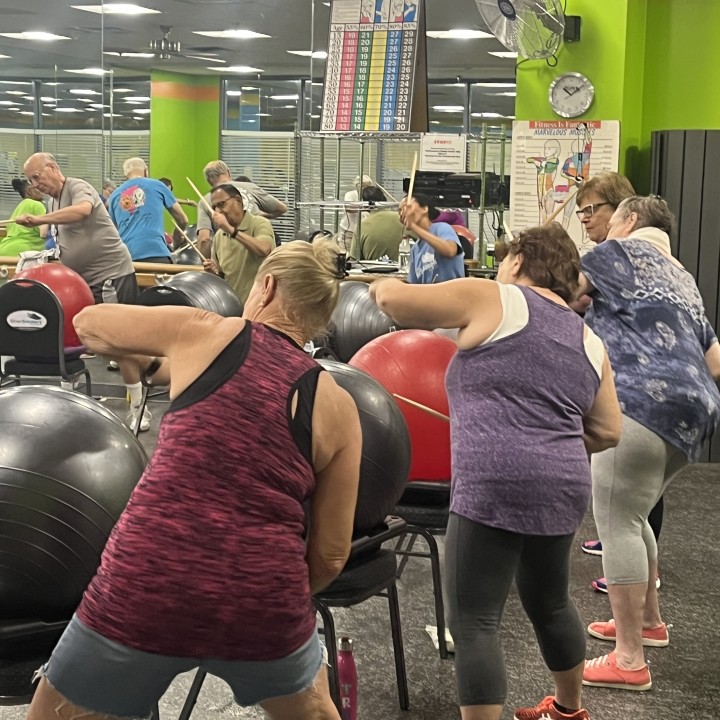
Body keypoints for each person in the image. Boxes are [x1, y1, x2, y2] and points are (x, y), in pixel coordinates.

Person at [27, 237, 362, 720]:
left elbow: (88, 325)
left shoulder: (204, 330)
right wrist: (255, 590)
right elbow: (331, 555)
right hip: (264, 597)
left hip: (145, 582)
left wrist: (162, 343)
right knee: (315, 709)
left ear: (265, 287)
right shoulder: (339, 404)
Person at [370, 223, 622, 720]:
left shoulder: (496, 297)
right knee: (550, 604)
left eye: (507, 257)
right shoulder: (587, 338)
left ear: (520, 260)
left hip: (493, 480)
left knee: (475, 619)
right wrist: (546, 439)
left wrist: (377, 285)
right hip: (565, 483)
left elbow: (397, 304)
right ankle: (570, 710)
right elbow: (608, 431)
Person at [577, 196, 720, 692]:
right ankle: (649, 623)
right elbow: (715, 359)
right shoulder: (683, 277)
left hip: (638, 401)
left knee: (617, 520)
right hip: (698, 409)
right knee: (635, 515)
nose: (601, 226)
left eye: (608, 217)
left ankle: (630, 658)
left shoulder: (612, 256)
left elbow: (562, 295)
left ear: (631, 221)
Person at [16, 153, 148, 432]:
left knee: (120, 342)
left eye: (37, 176)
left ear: (52, 168)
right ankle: (72, 396)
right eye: (30, 180)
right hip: (81, 284)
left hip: (111, 275)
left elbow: (83, 211)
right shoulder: (53, 200)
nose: (35, 184)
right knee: (77, 336)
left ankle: (139, 407)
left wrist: (40, 220)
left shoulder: (77, 187)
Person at [202, 183, 275, 303]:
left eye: (222, 204)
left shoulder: (259, 223)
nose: (218, 211)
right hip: (233, 307)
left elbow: (264, 249)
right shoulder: (219, 236)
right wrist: (213, 272)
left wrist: (231, 231)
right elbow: (221, 275)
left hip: (259, 306)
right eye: (215, 207)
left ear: (238, 200)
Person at [196, 161, 288, 256]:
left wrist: (207, 264)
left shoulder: (205, 201)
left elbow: (204, 239)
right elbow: (282, 209)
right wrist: (262, 215)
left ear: (208, 180)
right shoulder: (250, 188)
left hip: (231, 254)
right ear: (228, 172)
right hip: (257, 252)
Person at [107, 157, 188, 263]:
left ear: (125, 175)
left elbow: (112, 232)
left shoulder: (114, 196)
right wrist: (177, 242)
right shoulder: (158, 185)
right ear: (146, 171)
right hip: (157, 253)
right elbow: (183, 220)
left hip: (127, 259)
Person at [400, 192, 465, 284]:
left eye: (407, 207)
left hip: (450, 295)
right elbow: (413, 285)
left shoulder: (442, 228)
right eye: (400, 210)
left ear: (424, 209)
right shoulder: (415, 249)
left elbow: (450, 250)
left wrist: (414, 226)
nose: (403, 213)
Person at [348, 186, 404, 262]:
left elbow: (354, 260)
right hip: (402, 270)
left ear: (364, 205)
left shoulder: (361, 226)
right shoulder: (403, 219)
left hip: (372, 272)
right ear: (384, 199)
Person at [0, 178, 48, 255]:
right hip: (22, 251)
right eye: (38, 189)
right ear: (29, 191)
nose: (43, 191)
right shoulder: (37, 205)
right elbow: (43, 233)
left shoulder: (21, 206)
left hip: (5, 248)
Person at [337, 174, 374, 250]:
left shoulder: (369, 196)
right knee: (347, 254)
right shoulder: (350, 195)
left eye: (368, 186)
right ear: (357, 185)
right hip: (349, 231)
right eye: (364, 186)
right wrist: (364, 208)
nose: (366, 188)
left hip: (364, 231)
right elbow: (349, 208)